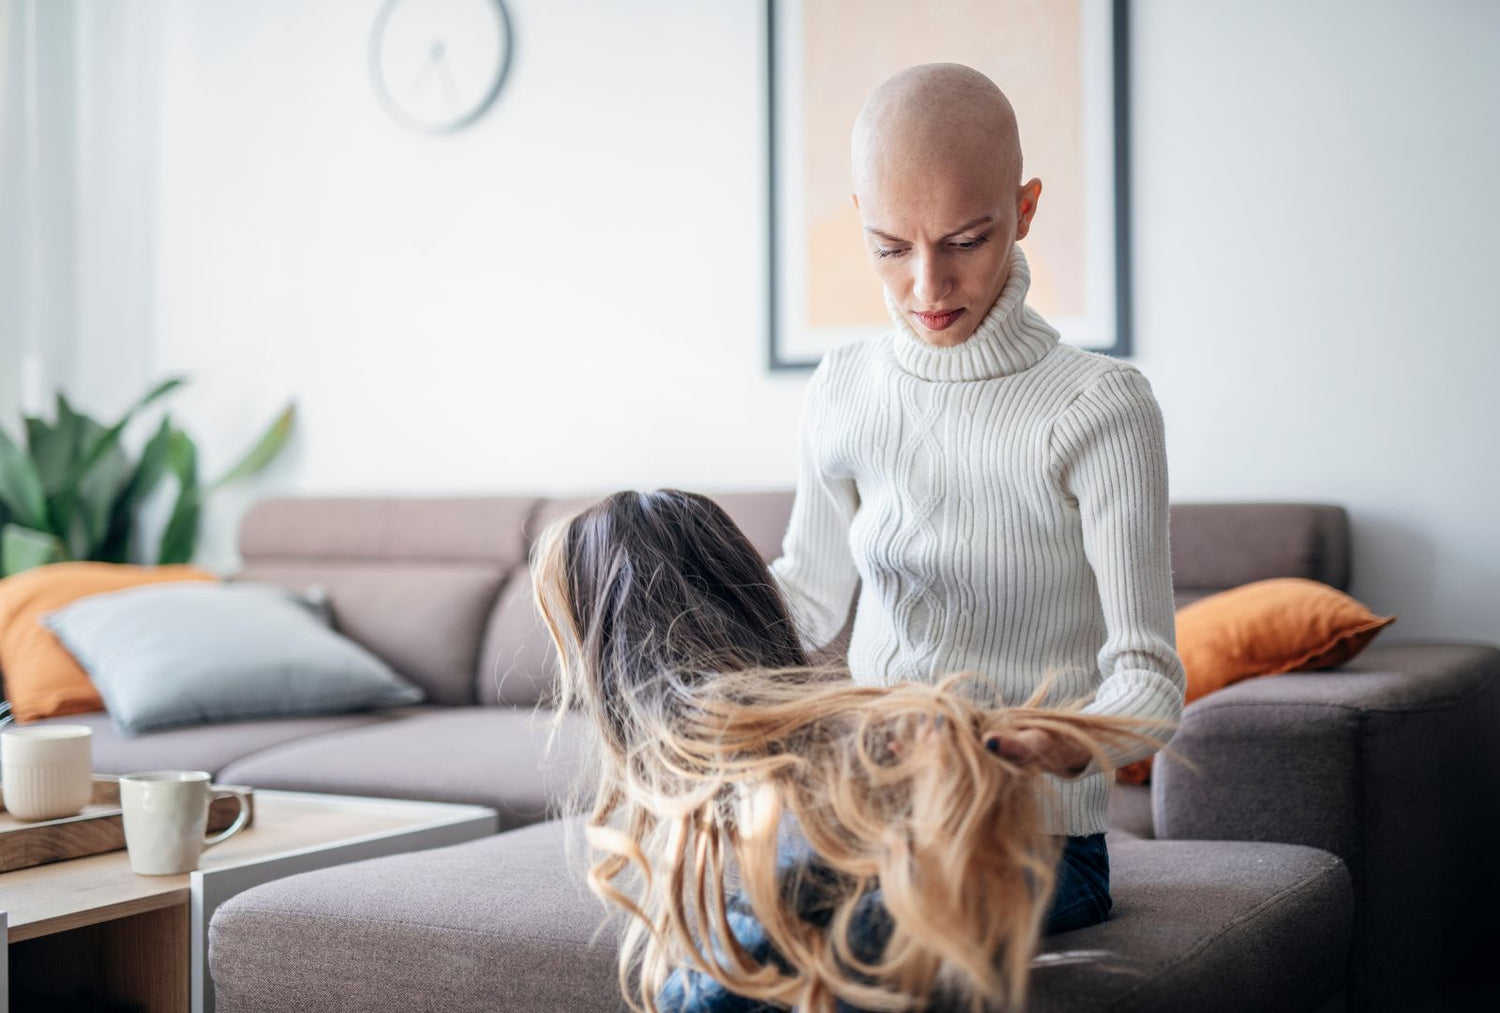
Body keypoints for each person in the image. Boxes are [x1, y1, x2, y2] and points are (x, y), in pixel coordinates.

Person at [763, 59, 1186, 967]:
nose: (927, 286)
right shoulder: (841, 388)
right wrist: (687, 627)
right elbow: (804, 597)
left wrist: (1068, 739)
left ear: (1025, 210)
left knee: (835, 939)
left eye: (965, 240)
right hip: (869, 816)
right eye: (890, 247)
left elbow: (1150, 682)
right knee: (731, 917)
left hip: (1034, 844)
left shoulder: (1100, 408)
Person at [531, 489, 1174, 1013]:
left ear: (606, 646)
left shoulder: (846, 738)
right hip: (892, 854)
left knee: (734, 973)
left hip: (1048, 858)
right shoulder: (734, 754)